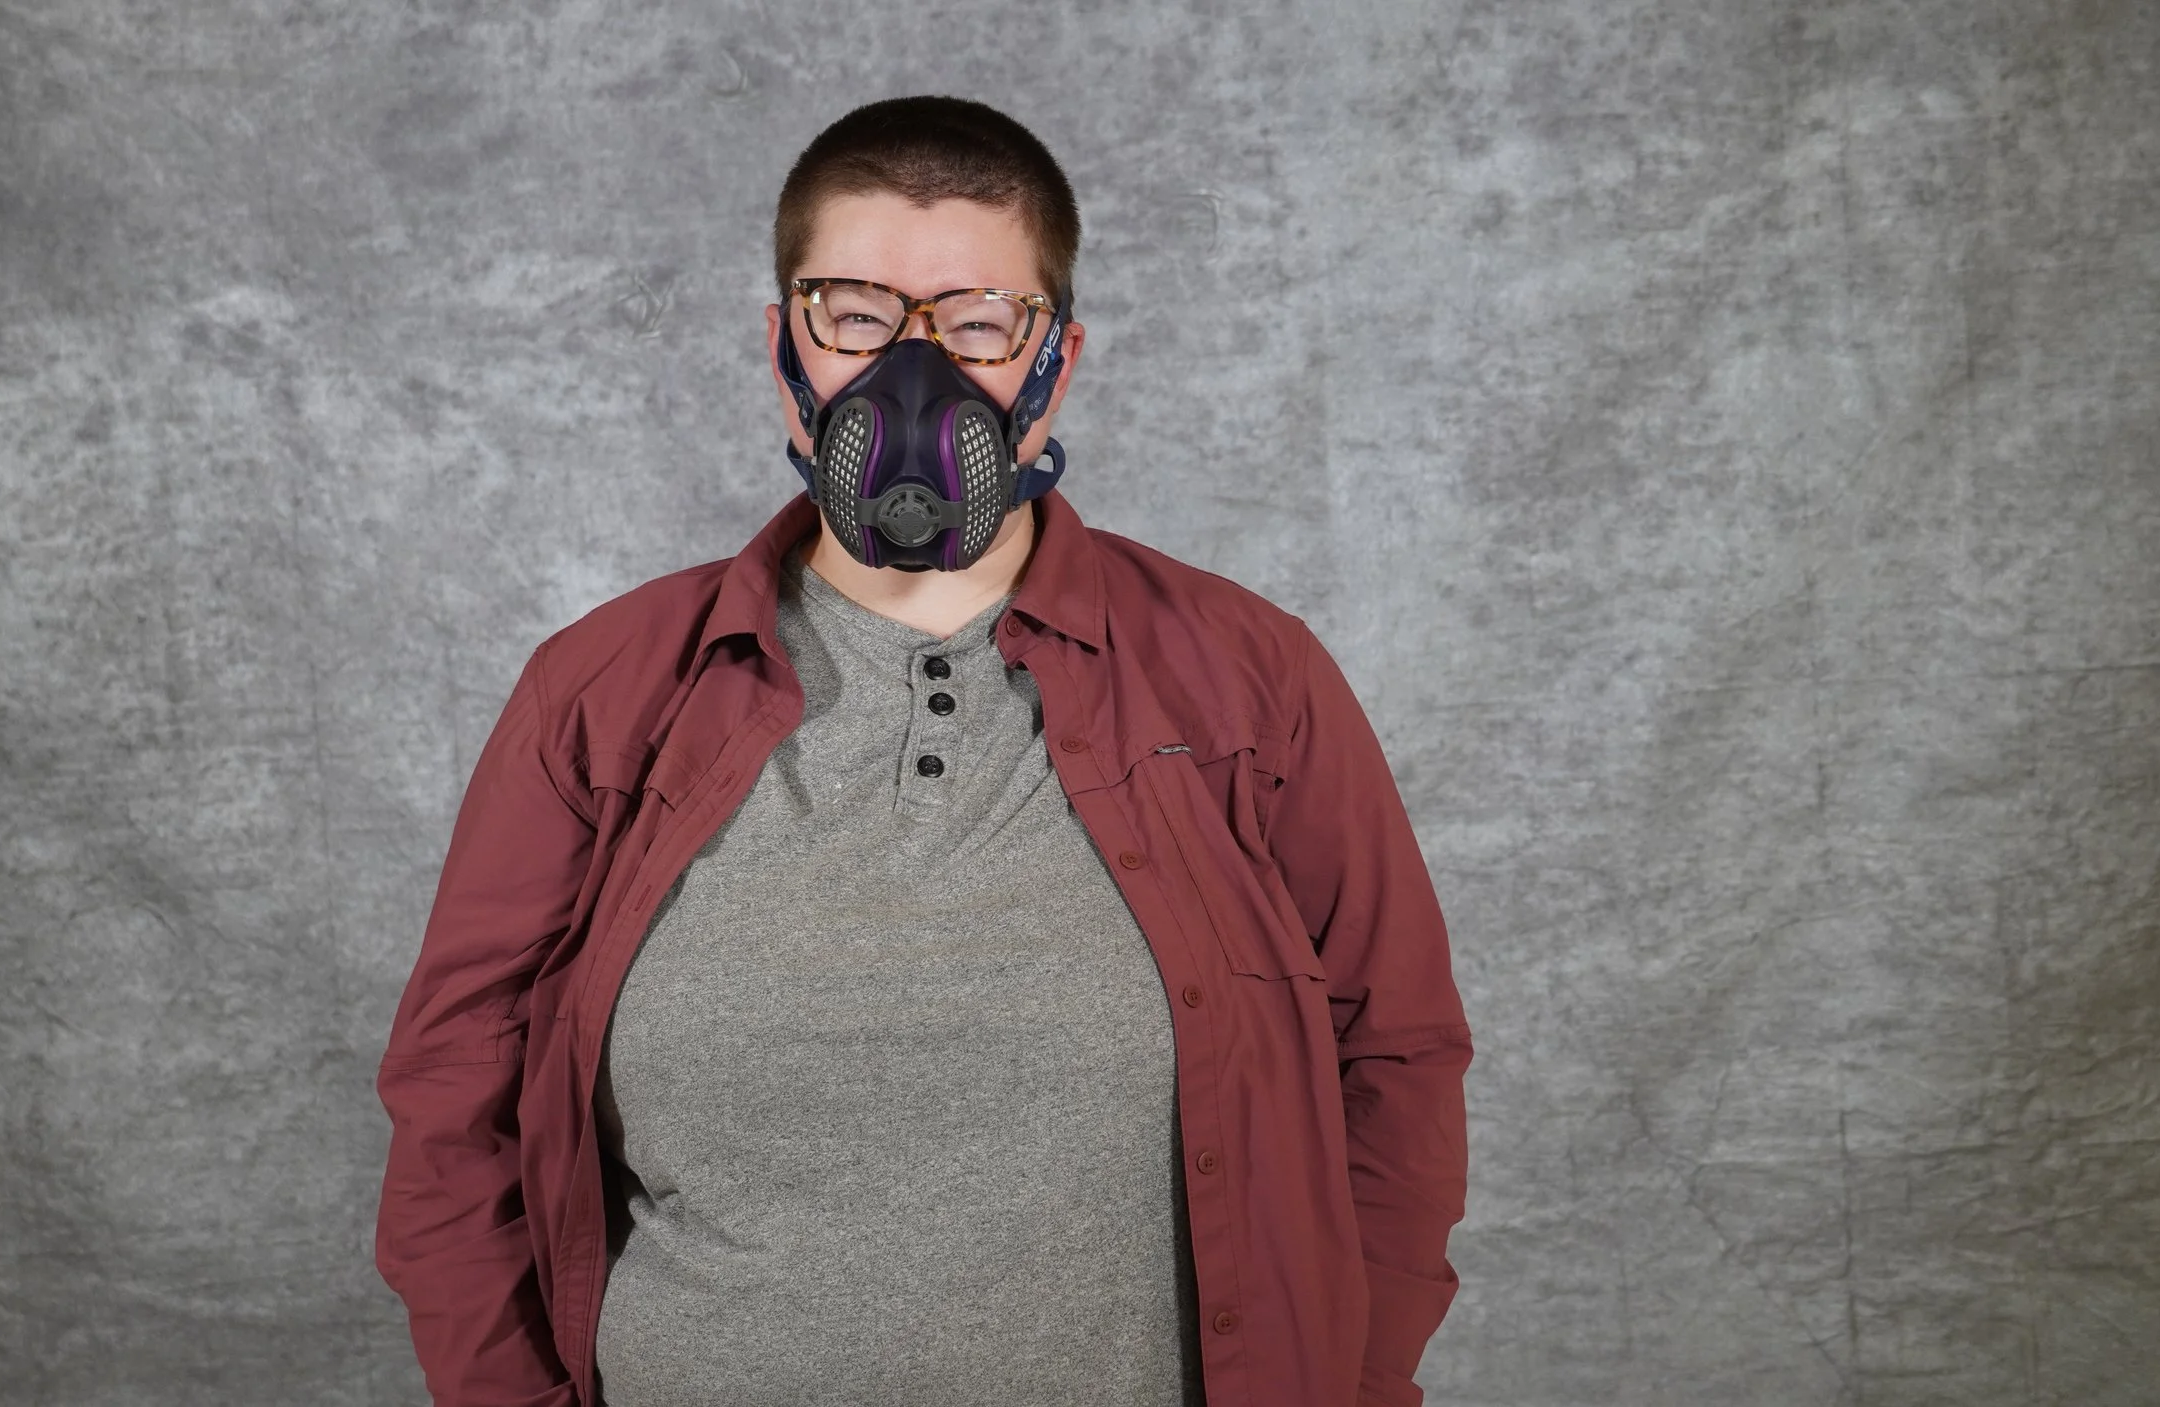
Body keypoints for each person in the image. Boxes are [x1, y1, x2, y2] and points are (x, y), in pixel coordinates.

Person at [374, 95, 1471, 1407]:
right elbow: (457, 1105)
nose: (913, 369)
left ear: (1051, 362)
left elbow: (1395, 1065)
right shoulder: (603, 695)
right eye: (855, 310)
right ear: (783, 344)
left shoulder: (1250, 679)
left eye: (975, 319)